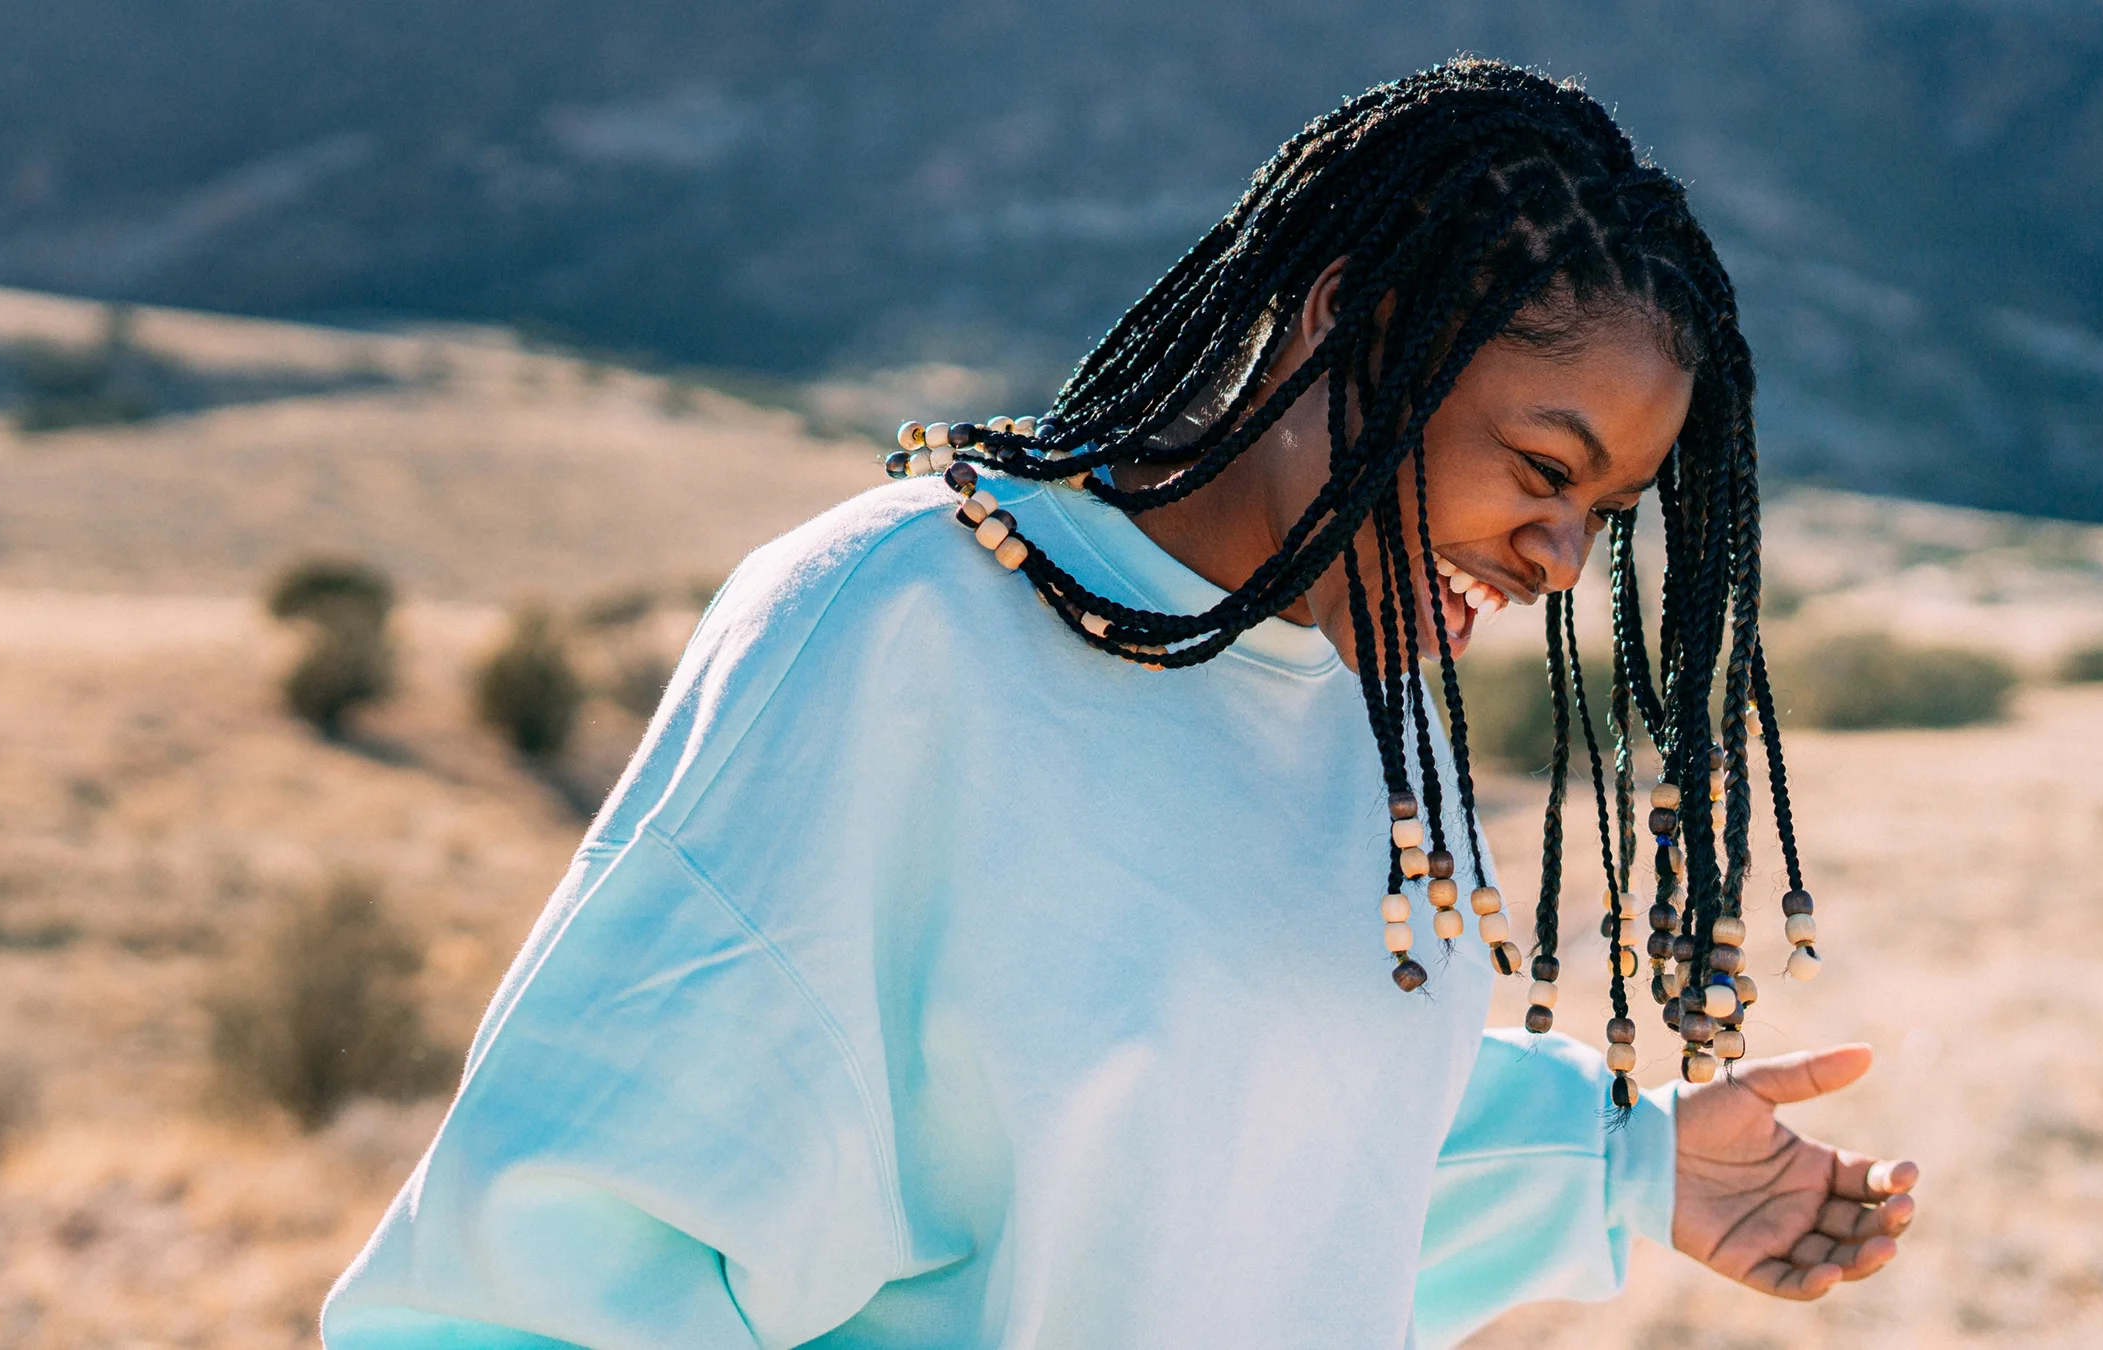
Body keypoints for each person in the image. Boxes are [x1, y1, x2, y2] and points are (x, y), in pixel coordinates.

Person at [323, 59, 1918, 1349]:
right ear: (1351, 318)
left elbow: (1228, 1184)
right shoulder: (900, 626)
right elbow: (555, 1268)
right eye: (1543, 469)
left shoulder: (1378, 700)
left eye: (1608, 511)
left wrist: (1628, 1165)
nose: (1562, 559)